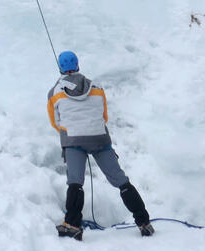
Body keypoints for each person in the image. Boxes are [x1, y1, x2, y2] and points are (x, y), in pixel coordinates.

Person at [47, 50, 153, 240]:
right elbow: (104, 116)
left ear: (61, 68)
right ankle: (144, 222)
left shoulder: (55, 92)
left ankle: (72, 225)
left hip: (74, 140)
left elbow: (55, 122)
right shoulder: (96, 86)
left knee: (75, 182)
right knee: (121, 181)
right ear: (77, 65)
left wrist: (74, 133)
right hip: (99, 139)